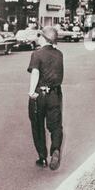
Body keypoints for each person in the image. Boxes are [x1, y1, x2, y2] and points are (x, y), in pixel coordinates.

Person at [27, 26, 64, 170]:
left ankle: (42, 157)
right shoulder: (59, 54)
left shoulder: (37, 54)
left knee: (37, 125)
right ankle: (55, 149)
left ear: (44, 38)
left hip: (39, 95)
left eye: (40, 36)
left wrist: (31, 91)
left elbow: (35, 73)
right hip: (55, 94)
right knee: (55, 125)